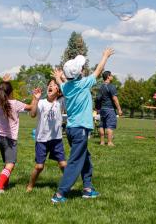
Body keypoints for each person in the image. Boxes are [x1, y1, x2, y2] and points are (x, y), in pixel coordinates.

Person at [50, 48, 114, 203]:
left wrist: (58, 77)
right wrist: (105, 56)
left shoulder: (66, 87)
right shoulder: (84, 83)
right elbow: (98, 70)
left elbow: (61, 82)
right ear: (79, 73)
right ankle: (60, 193)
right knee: (75, 161)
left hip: (72, 130)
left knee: (85, 157)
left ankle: (87, 188)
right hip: (80, 130)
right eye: (82, 68)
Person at [0, 75, 37, 194]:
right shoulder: (15, 103)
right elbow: (31, 107)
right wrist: (35, 97)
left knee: (7, 163)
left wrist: (4, 82)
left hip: (0, 138)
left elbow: (0, 92)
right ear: (11, 92)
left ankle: (4, 184)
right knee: (10, 164)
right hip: (10, 140)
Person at [26, 79, 66, 192]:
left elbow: (67, 90)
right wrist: (35, 99)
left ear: (58, 91)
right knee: (39, 167)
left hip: (56, 140)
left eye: (54, 85)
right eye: (49, 85)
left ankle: (68, 184)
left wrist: (61, 80)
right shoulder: (42, 102)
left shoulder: (61, 102)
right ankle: (30, 185)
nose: (50, 86)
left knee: (63, 165)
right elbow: (32, 114)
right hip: (42, 140)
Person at [96, 71, 123, 146]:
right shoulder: (111, 86)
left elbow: (98, 98)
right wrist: (119, 109)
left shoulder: (101, 87)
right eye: (111, 75)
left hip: (102, 109)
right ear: (108, 76)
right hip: (110, 109)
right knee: (110, 126)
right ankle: (110, 142)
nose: (112, 76)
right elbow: (115, 99)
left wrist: (98, 108)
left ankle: (102, 142)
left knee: (102, 125)